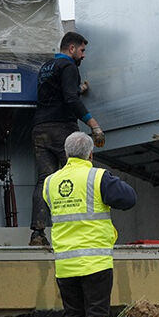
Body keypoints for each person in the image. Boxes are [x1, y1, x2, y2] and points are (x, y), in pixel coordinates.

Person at [43, 131, 137, 317]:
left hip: (65, 264)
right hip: (95, 262)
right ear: (91, 155)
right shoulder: (98, 177)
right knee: (97, 316)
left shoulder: (50, 182)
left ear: (66, 154)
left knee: (72, 316)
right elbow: (129, 199)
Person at [30, 31, 104, 246]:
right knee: (75, 177)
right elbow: (70, 99)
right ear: (71, 49)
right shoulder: (69, 67)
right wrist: (94, 125)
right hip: (62, 131)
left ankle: (38, 234)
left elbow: (58, 95)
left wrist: (79, 89)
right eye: (82, 50)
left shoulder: (47, 67)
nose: (83, 55)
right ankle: (78, 232)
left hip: (40, 130)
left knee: (45, 181)